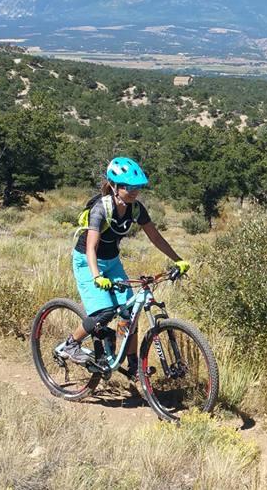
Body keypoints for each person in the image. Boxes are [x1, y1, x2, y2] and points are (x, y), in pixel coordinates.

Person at [57, 157, 189, 379]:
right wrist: (96, 276)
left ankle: (133, 365)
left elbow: (155, 237)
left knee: (129, 312)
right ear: (114, 186)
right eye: (129, 186)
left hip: (112, 261)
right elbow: (91, 247)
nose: (134, 191)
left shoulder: (135, 209)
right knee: (104, 313)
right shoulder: (101, 208)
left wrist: (178, 259)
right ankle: (70, 345)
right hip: (88, 261)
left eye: (137, 187)